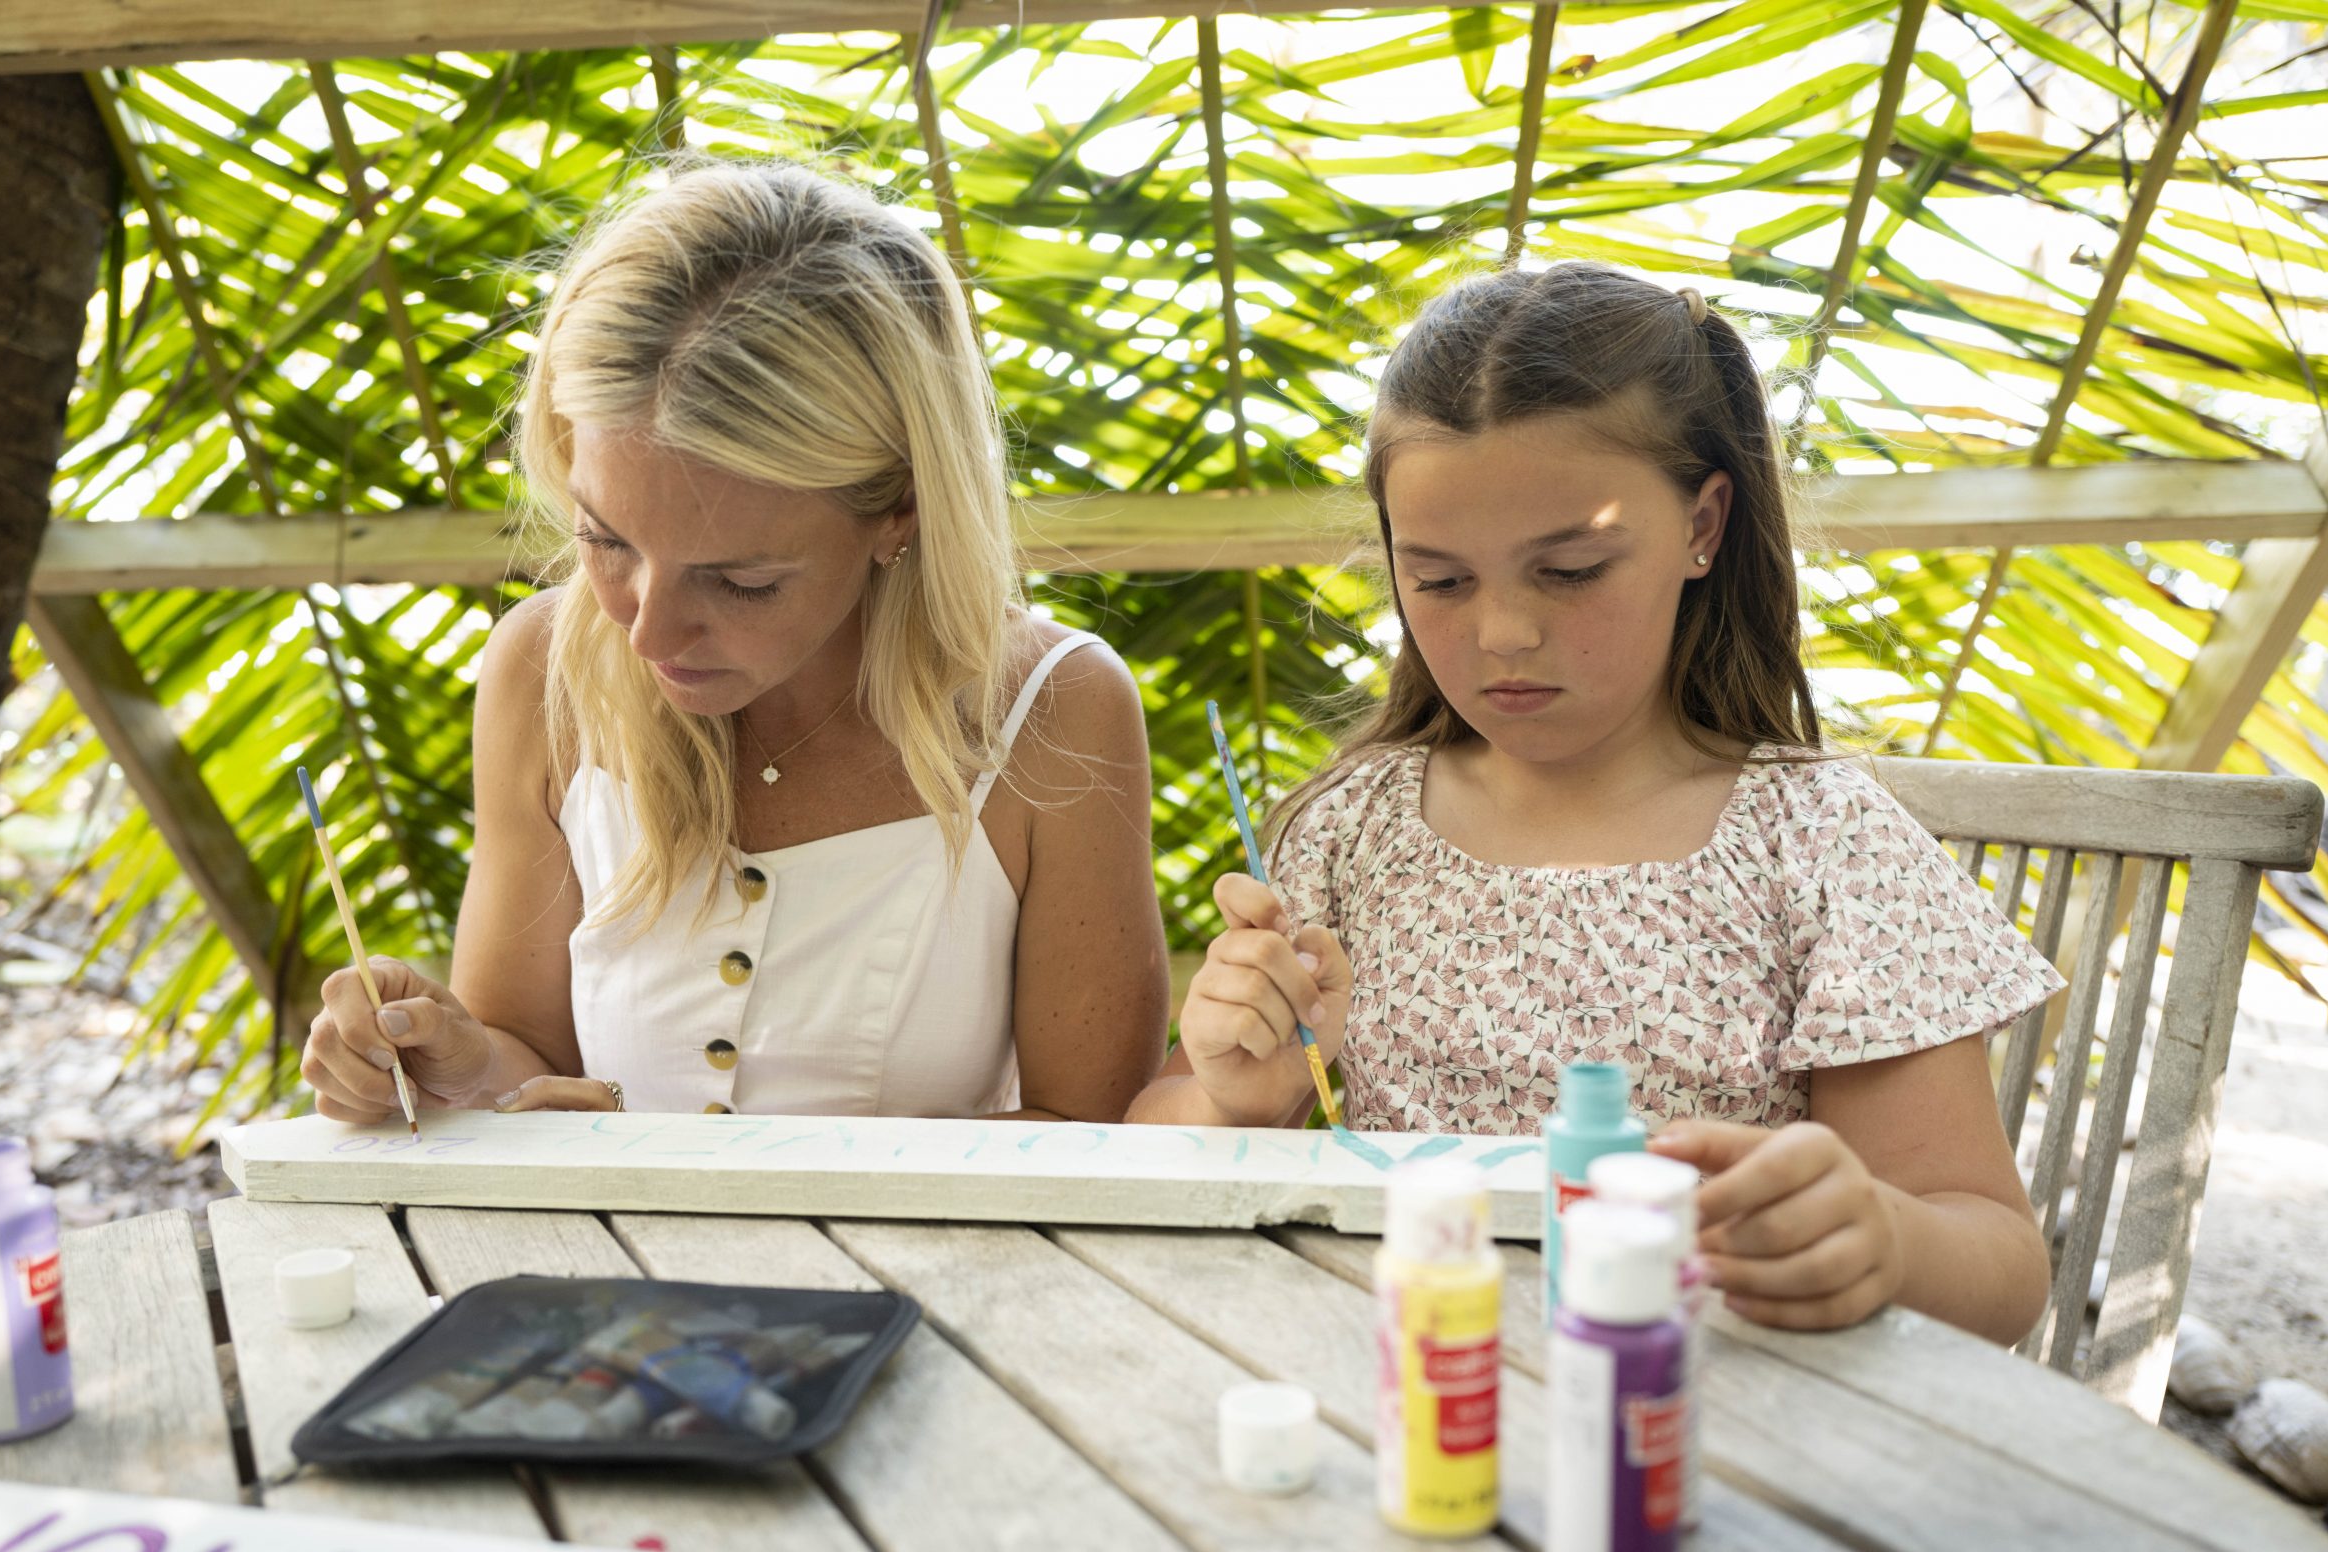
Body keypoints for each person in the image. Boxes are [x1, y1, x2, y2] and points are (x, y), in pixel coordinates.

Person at [1131, 262, 2062, 1343]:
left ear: (1704, 525)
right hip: (1402, 1394)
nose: (1502, 633)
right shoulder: (1349, 830)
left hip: (1700, 1417)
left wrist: (1884, 1238)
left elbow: (1999, 1265)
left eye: (1570, 569)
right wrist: (1234, 1100)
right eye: (1436, 579)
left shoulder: (1816, 845)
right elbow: (1155, 1140)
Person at [301, 157, 1169, 1126]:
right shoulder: (543, 670)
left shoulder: (1052, 711)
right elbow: (530, 1061)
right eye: (604, 540)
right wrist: (455, 1068)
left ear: (899, 512)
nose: (646, 626)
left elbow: (1091, 1144)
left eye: (739, 580)